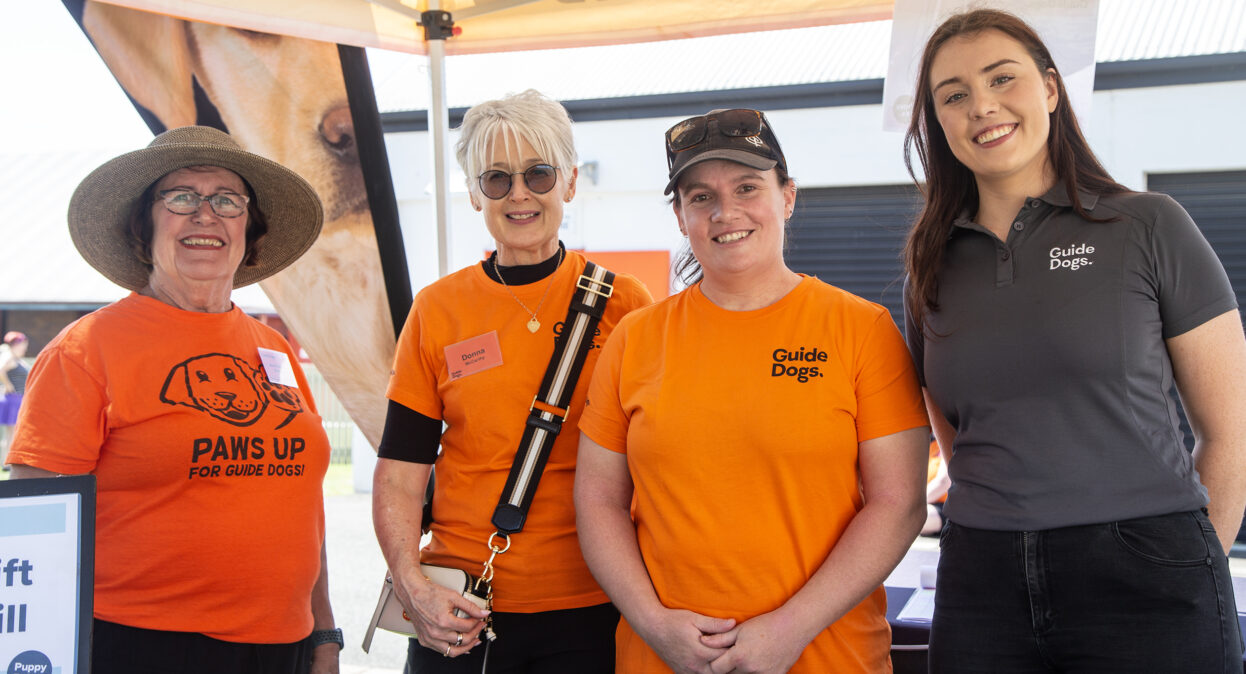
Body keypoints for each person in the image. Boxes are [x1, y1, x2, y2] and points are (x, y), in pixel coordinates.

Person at [902, 9, 1246, 671]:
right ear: (939, 122)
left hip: (1146, 574)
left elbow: (1231, 430)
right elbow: (958, 435)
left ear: (1052, 91)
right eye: (954, 95)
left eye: (1003, 79)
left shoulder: (1149, 225)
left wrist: (1186, 564)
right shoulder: (930, 263)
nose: (983, 106)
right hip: (982, 581)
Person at [575, 108, 931, 673]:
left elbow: (900, 503)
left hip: (826, 657)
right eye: (700, 197)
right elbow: (597, 501)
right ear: (680, 215)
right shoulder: (635, 338)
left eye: (747, 187)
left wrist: (791, 628)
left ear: (787, 196)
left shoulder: (860, 329)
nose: (725, 212)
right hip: (663, 658)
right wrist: (653, 622)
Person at [6, 126, 342, 674]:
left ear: (249, 230)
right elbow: (36, 529)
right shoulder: (88, 349)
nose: (205, 215)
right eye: (181, 197)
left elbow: (304, 507)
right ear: (145, 226)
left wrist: (324, 633)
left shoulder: (272, 347)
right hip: (140, 646)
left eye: (227, 200)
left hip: (286, 647)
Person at [372, 89, 652, 673]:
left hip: (592, 603)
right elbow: (402, 469)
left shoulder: (626, 304)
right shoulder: (437, 309)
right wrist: (411, 584)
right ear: (475, 194)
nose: (519, 194)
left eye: (539, 173)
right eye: (496, 179)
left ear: (570, 183)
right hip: (460, 606)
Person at [0, 331, 29, 469]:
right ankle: (7, 463)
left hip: (18, 398)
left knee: (12, 433)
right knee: (11, 433)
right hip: (12, 398)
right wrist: (8, 385)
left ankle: (7, 461)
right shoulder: (9, 357)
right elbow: (0, 370)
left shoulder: (17, 358)